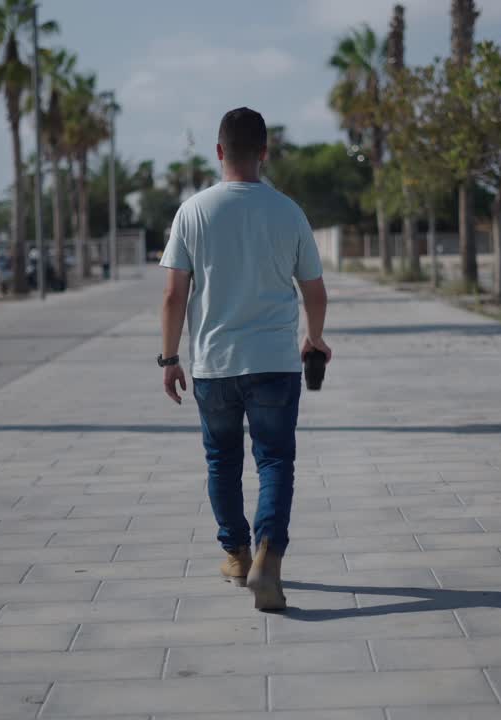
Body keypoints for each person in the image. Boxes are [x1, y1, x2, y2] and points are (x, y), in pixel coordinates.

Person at [159, 107, 330, 611]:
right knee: (275, 459)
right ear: (264, 153)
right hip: (275, 361)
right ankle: (268, 556)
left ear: (218, 152)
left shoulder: (192, 211)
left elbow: (173, 296)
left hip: (214, 364)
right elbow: (315, 292)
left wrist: (169, 358)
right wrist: (313, 339)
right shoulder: (288, 210)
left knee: (222, 460)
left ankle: (235, 554)